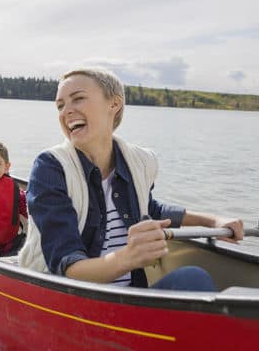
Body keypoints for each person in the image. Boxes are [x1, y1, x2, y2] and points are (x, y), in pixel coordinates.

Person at [18, 67, 243, 291]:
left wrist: (213, 222)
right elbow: (69, 267)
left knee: (193, 278)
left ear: (113, 105)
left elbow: (149, 207)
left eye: (78, 99)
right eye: (60, 105)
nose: (66, 111)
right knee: (194, 280)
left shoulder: (139, 161)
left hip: (129, 299)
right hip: (68, 302)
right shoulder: (50, 168)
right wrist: (128, 257)